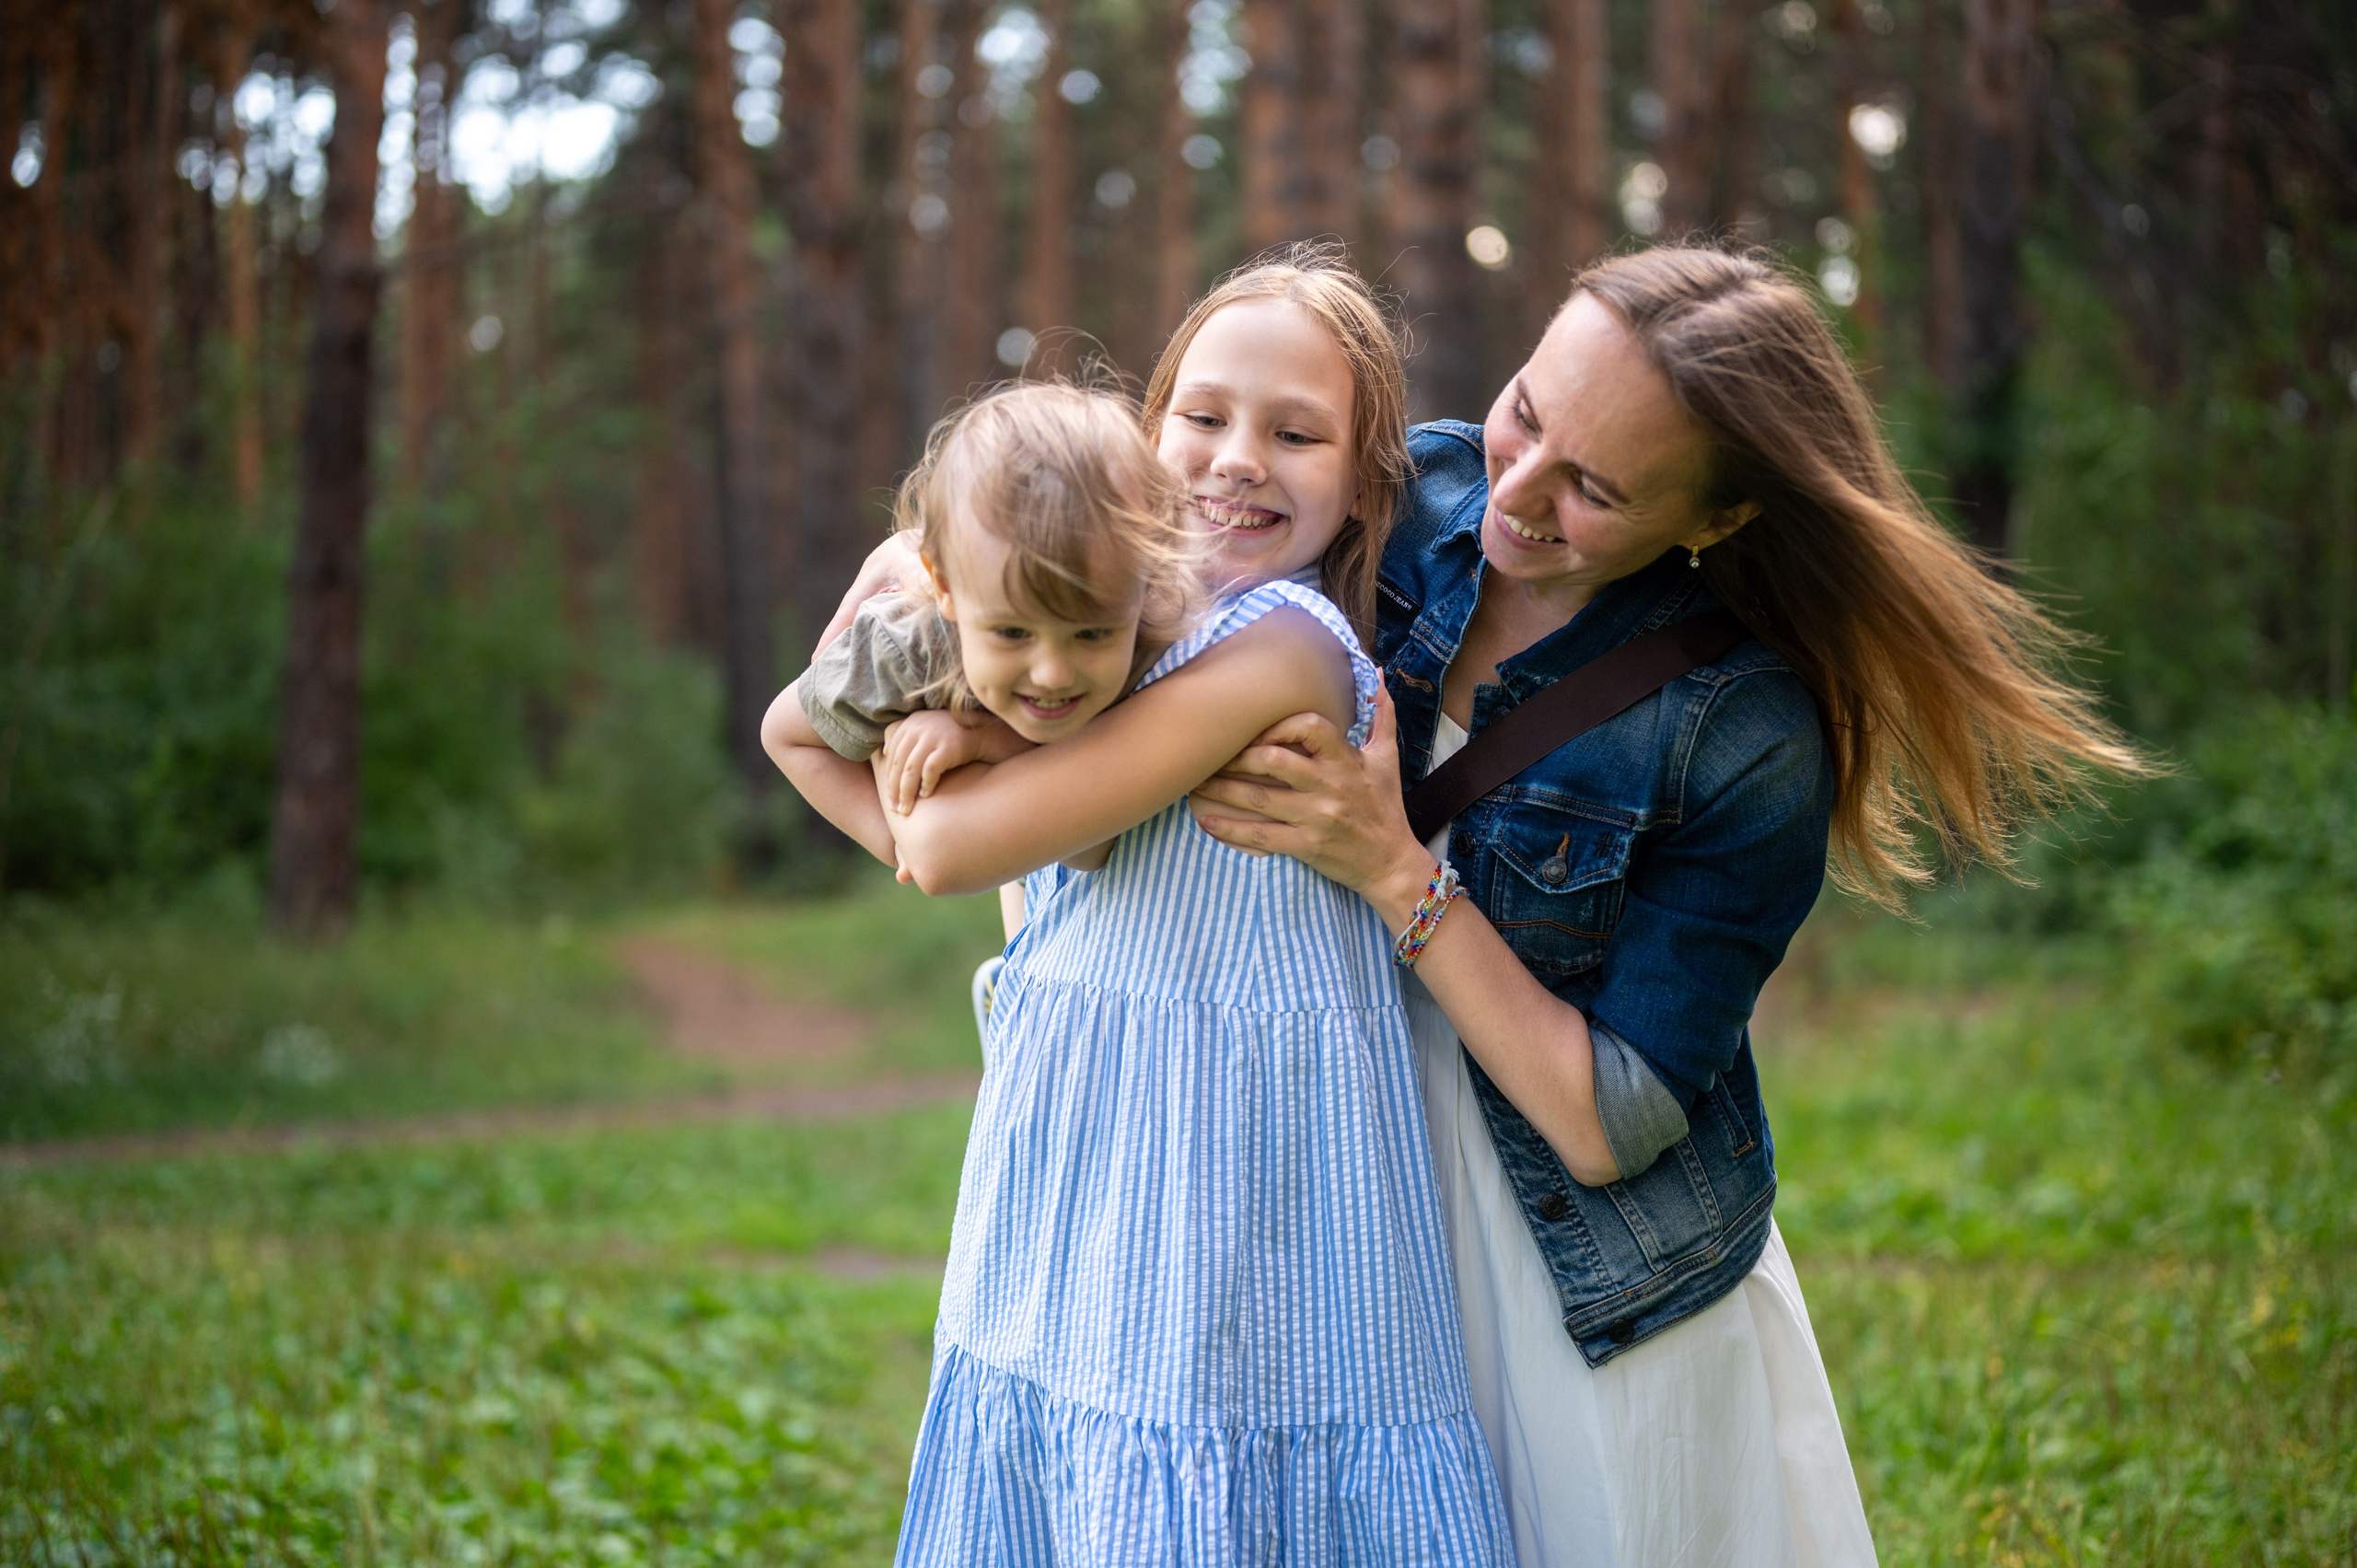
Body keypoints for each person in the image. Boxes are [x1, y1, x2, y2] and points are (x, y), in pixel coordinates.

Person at [1181, 245, 2147, 1566]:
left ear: (1718, 519)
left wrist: (1395, 868)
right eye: (1528, 409)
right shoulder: (1411, 493)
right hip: (1343, 1200)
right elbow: (1123, 561)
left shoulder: (1745, 734)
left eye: (1596, 489)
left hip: (1573, 1288)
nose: (1518, 492)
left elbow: (1608, 1123)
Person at [784, 251, 1515, 1565]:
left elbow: (951, 857)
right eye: (1205, 416)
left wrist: (960, 771)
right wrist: (938, 663)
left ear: (1360, 485)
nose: (1239, 459)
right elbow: (797, 725)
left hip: (1243, 1187)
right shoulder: (1078, 637)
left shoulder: (1286, 647)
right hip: (1073, 1152)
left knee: (1210, 1486)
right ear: (1146, 432)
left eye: (1295, 434)